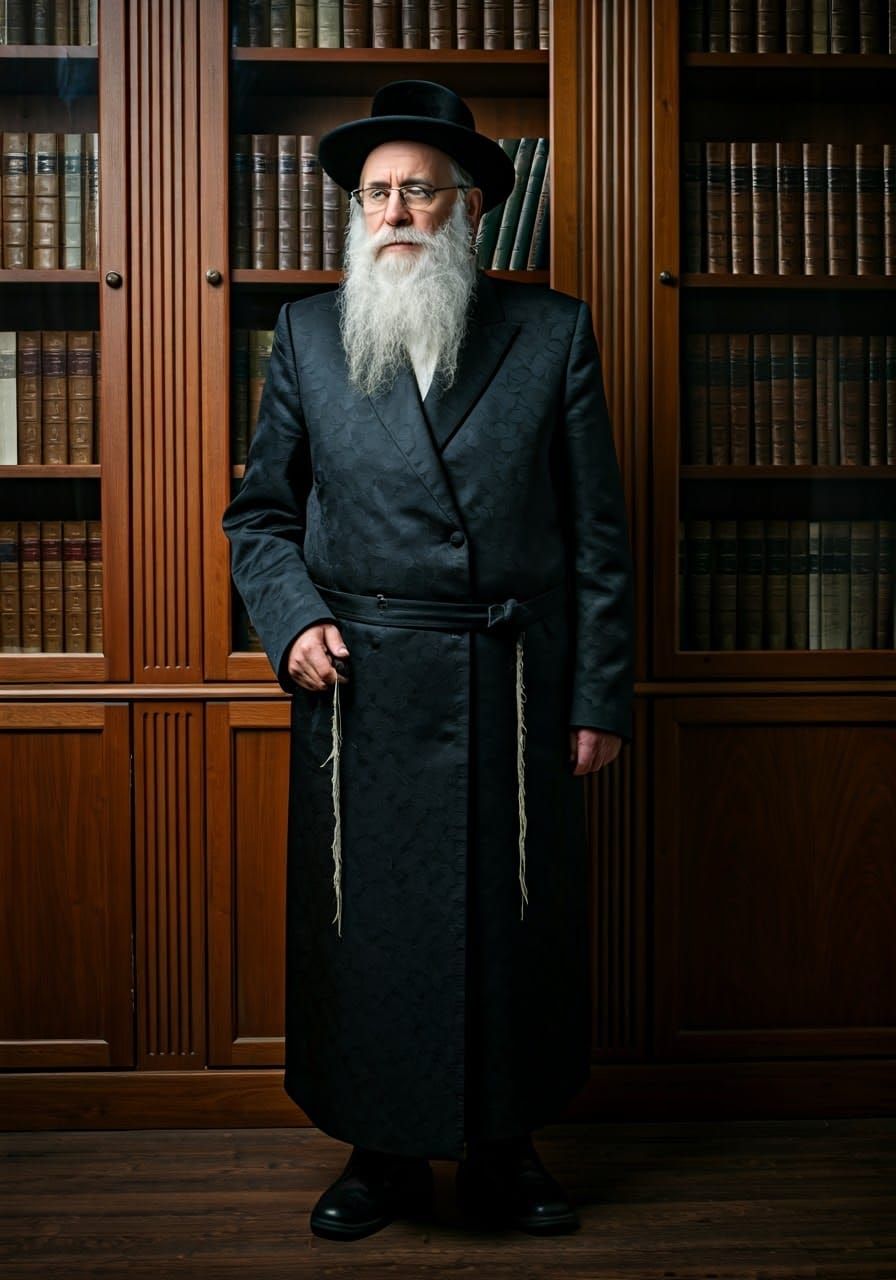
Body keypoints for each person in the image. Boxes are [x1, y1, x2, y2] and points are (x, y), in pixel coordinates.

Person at [221, 78, 635, 1242]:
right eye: (377, 193)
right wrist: (292, 616)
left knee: (513, 930)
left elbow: (597, 533)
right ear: (358, 212)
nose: (395, 210)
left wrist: (597, 691)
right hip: (363, 690)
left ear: (469, 209)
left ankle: (506, 1149)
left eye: (419, 191)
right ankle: (382, 1150)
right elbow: (258, 514)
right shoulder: (305, 335)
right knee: (372, 931)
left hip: (512, 686)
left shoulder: (552, 332)